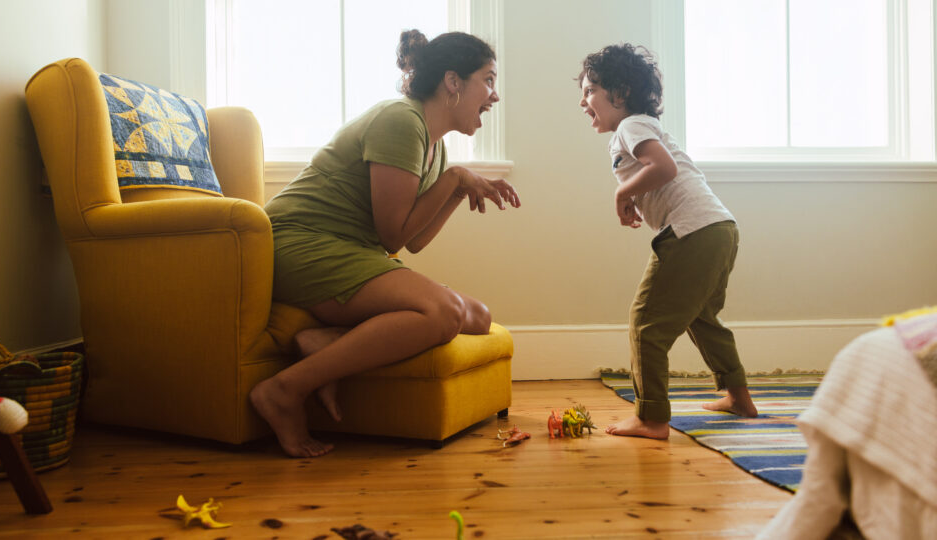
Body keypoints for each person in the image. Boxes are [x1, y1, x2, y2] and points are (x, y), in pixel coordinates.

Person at [250, 30, 521, 458]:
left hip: (347, 250)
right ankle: (284, 390)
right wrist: (455, 181)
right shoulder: (401, 120)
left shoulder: (436, 150)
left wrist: (453, 189)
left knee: (478, 317)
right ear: (453, 81)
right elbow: (393, 234)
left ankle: (327, 340)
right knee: (443, 310)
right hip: (298, 242)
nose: (495, 95)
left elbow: (413, 242)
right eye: (488, 79)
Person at [577, 44, 757, 440]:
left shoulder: (630, 126)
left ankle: (652, 417)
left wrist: (621, 195)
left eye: (590, 90)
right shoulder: (640, 126)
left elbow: (664, 167)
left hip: (693, 232)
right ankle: (738, 396)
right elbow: (663, 174)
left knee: (646, 324)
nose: (582, 101)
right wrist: (635, 200)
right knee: (703, 317)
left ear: (620, 93)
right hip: (719, 228)